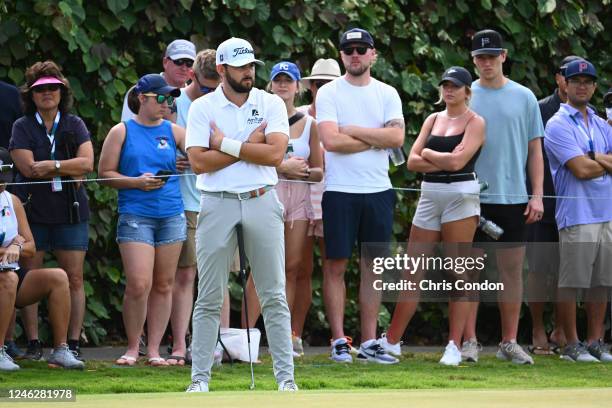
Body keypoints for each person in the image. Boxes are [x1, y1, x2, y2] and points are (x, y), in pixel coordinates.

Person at [185, 37, 297, 392]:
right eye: (240, 66)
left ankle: (286, 381)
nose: (248, 72)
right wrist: (250, 145)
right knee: (209, 295)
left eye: (250, 65)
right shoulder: (203, 107)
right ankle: (199, 380)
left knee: (274, 294)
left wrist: (225, 144)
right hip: (216, 201)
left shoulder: (271, 102)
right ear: (221, 69)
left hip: (262, 198)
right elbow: (199, 162)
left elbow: (275, 155)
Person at [380, 67, 485, 366]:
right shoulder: (432, 119)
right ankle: (391, 343)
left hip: (461, 196)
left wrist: (431, 155)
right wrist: (441, 160)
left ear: (467, 91)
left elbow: (458, 162)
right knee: (412, 270)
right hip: (430, 194)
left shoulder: (476, 122)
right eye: (445, 85)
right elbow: (412, 161)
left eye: (456, 86)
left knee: (457, 272)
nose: (449, 90)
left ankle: (454, 345)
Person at [316, 28, 404, 364]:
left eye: (361, 49)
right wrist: (376, 137)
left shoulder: (388, 93)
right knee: (335, 265)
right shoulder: (328, 93)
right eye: (349, 49)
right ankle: (339, 340)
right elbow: (331, 142)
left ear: (373, 54)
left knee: (373, 269)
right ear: (341, 55)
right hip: (340, 191)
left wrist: (351, 129)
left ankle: (369, 342)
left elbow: (397, 137)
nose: (355, 54)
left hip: (378, 191)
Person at [461, 29, 544, 365]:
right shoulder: (465, 96)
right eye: (480, 57)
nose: (486, 63)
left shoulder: (524, 97)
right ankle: (469, 341)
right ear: (473, 60)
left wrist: (537, 195)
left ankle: (509, 341)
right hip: (471, 197)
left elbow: (534, 149)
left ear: (504, 56)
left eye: (492, 56)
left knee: (512, 273)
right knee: (469, 271)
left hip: (513, 198)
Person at [98, 74, 186, 366]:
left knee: (164, 284)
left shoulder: (174, 131)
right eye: (161, 98)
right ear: (143, 98)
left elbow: (200, 156)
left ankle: (154, 351)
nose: (167, 104)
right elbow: (105, 174)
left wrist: (189, 160)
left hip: (171, 214)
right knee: (138, 283)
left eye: (170, 99)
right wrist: (136, 182)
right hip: (136, 214)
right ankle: (133, 347)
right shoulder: (121, 131)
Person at [9, 61, 94, 360]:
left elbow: (87, 164)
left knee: (74, 278)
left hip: (70, 210)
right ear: (31, 94)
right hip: (32, 211)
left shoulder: (74, 124)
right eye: (40, 89)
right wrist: (68, 169)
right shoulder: (22, 126)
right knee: (30, 275)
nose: (47, 93)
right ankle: (33, 343)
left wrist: (54, 166)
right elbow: (27, 168)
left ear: (62, 91)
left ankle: (70, 344)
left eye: (53, 88)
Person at [242, 61, 323, 357]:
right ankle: (245, 336)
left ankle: (283, 336)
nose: (283, 85)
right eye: (278, 80)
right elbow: (250, 157)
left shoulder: (310, 124)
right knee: (259, 268)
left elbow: (318, 172)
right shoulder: (260, 120)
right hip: (268, 194)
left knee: (290, 268)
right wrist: (282, 166)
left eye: (288, 80)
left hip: (299, 199)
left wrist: (298, 172)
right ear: (270, 85)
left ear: (298, 86)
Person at [544, 59, 612, 363]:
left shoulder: (600, 123)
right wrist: (602, 161)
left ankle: (595, 340)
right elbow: (580, 170)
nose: (582, 86)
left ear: (594, 86)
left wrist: (593, 155)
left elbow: (588, 162)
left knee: (602, 280)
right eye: (576, 81)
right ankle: (571, 344)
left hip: (606, 211)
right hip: (577, 214)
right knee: (572, 281)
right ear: (565, 85)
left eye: (588, 81)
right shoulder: (557, 124)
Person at [0, 147, 84, 371]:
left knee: (58, 276)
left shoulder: (12, 201)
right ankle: (0, 352)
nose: (1, 185)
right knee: (8, 279)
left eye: (3, 180)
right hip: (6, 276)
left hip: (10, 273)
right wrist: (7, 249)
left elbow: (30, 247)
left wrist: (17, 245)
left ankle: (61, 350)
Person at [167, 49, 221, 366]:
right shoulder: (175, 104)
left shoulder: (226, 103)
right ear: (192, 77)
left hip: (218, 199)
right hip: (186, 202)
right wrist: (173, 159)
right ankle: (179, 345)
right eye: (205, 87)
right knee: (184, 277)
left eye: (216, 87)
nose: (211, 93)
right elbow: (158, 142)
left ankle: (217, 343)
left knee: (216, 281)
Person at [526, 56, 581, 355]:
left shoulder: (590, 114)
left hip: (574, 206)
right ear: (559, 78)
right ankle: (536, 328)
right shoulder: (538, 108)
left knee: (568, 270)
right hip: (542, 201)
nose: (574, 82)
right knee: (537, 269)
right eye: (567, 75)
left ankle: (561, 330)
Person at [291, 58, 341, 356]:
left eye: (328, 84)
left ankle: (339, 340)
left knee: (336, 269)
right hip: (302, 203)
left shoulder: (346, 116)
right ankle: (293, 335)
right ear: (309, 86)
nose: (322, 89)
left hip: (335, 201)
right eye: (318, 84)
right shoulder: (297, 117)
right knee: (300, 270)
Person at [0, 79, 24, 360]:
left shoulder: (10, 94)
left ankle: (7, 340)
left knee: (10, 271)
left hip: (4, 181)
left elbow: (19, 138)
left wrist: (17, 242)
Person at [121, 39, 196, 122]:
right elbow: (127, 129)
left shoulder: (196, 98)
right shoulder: (140, 90)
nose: (184, 68)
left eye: (190, 63)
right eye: (179, 61)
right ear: (165, 62)